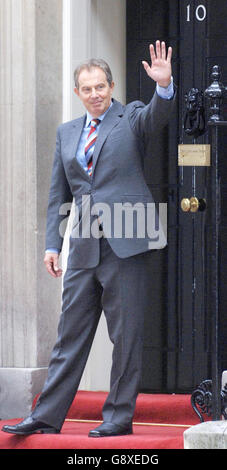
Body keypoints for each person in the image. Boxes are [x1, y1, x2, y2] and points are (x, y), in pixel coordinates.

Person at [2, 41, 175, 437]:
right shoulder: (66, 134)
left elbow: (156, 117)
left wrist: (163, 87)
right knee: (69, 336)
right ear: (77, 92)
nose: (95, 94)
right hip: (83, 245)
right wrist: (51, 244)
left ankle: (118, 416)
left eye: (101, 86)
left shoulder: (130, 117)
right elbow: (57, 195)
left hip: (127, 241)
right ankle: (45, 415)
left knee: (125, 334)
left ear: (111, 87)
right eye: (87, 88)